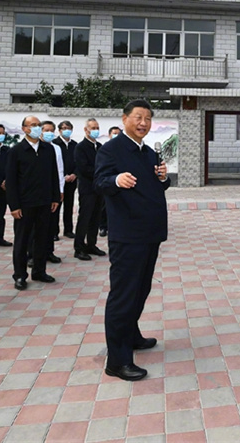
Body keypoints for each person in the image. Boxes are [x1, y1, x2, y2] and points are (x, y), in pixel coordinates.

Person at [95, 100, 169, 381]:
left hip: (150, 233)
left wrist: (163, 178)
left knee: (141, 289)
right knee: (123, 295)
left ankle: (132, 334)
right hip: (127, 235)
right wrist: (115, 180)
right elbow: (99, 182)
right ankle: (117, 360)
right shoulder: (111, 149)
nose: (144, 123)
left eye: (148, 118)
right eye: (138, 117)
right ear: (124, 118)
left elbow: (157, 185)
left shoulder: (148, 152)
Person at [6, 116, 60, 290]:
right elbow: (11, 181)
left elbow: (53, 175)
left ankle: (39, 270)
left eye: (39, 125)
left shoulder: (48, 149)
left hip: (44, 202)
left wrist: (54, 198)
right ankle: (20, 275)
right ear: (25, 129)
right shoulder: (16, 151)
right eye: (33, 125)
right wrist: (14, 206)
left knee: (42, 238)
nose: (37, 128)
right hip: (25, 203)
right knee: (22, 240)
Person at [74, 119, 107, 261]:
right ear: (86, 130)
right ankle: (79, 247)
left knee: (96, 218)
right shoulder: (80, 147)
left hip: (99, 188)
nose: (95, 130)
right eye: (93, 128)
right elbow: (83, 168)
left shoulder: (99, 146)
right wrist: (100, 172)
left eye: (97, 127)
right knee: (85, 218)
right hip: (87, 188)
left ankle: (91, 244)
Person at [41, 121, 65, 263]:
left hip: (53, 191)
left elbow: (59, 170)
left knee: (51, 223)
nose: (49, 133)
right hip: (39, 192)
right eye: (46, 130)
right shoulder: (36, 148)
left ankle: (49, 251)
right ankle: (33, 254)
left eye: (52, 130)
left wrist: (60, 190)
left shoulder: (56, 148)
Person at [53, 120, 79, 239]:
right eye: (63, 128)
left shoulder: (75, 145)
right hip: (58, 180)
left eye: (68, 128)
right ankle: (54, 231)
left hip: (72, 180)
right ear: (59, 130)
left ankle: (68, 230)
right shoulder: (54, 144)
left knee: (69, 206)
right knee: (56, 206)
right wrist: (61, 176)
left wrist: (74, 174)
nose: (66, 130)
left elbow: (79, 162)